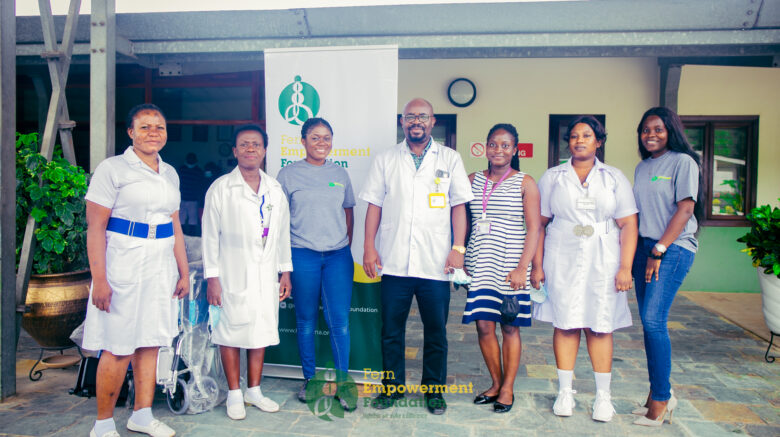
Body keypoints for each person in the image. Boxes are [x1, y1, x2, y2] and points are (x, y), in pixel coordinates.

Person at [360, 98, 474, 415]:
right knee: (391, 331)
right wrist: (369, 246)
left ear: (432, 121)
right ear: (402, 122)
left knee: (436, 331)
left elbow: (459, 207)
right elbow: (374, 205)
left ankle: (434, 391)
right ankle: (393, 388)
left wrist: (458, 248)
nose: (416, 122)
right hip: (394, 261)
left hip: (436, 262)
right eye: (410, 117)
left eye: (422, 116)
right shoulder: (386, 159)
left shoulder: (450, 158)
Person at [83, 103, 189, 437]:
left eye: (159, 126)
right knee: (118, 344)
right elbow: (95, 227)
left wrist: (183, 272)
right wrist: (99, 280)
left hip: (161, 263)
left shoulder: (169, 172)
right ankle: (103, 423)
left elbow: (175, 225)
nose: (153, 132)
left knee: (151, 340)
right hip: (123, 262)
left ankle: (142, 414)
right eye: (144, 127)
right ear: (130, 132)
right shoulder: (113, 169)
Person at [531, 115, 638, 423]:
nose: (579, 140)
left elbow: (628, 224)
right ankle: (565, 392)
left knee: (600, 323)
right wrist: (537, 265)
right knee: (565, 322)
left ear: (598, 142)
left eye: (587, 135)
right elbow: (539, 223)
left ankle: (603, 398)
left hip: (604, 256)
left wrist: (625, 268)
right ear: (569, 142)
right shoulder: (552, 177)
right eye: (574, 136)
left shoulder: (614, 177)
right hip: (561, 253)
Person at [201, 124, 292, 420]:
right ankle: (234, 394)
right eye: (244, 144)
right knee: (230, 331)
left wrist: (285, 272)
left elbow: (282, 236)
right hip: (231, 272)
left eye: (256, 144)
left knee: (260, 330)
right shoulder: (221, 189)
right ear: (235, 151)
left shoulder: (275, 189)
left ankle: (254, 390)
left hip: (267, 274)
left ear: (265, 151)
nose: (250, 149)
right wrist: (212, 278)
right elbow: (209, 236)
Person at [276, 118, 356, 410]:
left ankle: (344, 384)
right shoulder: (287, 175)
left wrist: (345, 243)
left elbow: (348, 211)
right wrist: (284, 265)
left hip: (337, 256)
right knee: (306, 320)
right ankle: (310, 379)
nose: (321, 143)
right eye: (315, 138)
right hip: (302, 254)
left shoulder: (340, 174)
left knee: (340, 323)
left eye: (326, 138)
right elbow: (279, 221)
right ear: (303, 141)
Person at [631, 107, 702, 427]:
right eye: (646, 130)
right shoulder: (643, 167)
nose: (651, 135)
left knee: (653, 320)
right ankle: (657, 392)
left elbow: (685, 209)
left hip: (671, 248)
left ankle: (662, 397)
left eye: (658, 129)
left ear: (670, 130)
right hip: (645, 247)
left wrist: (659, 249)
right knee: (649, 324)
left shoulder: (683, 162)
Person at [462, 123, 541, 413]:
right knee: (484, 325)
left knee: (509, 325)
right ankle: (495, 383)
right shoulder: (471, 180)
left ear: (515, 150)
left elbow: (533, 229)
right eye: (493, 144)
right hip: (481, 264)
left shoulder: (525, 182)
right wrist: (463, 256)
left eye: (505, 145)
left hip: (510, 268)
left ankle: (508, 388)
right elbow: (463, 221)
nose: (499, 150)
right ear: (485, 147)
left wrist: (524, 268)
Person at [176, 152, 206, 235]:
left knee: (192, 220)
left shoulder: (198, 171)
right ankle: (182, 237)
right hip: (182, 199)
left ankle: (190, 236)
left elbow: (201, 186)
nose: (191, 160)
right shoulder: (181, 169)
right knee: (181, 220)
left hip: (192, 200)